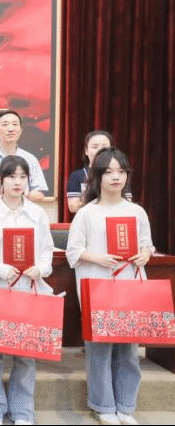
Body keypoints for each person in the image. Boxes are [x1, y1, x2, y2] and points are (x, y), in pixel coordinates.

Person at [66, 147, 153, 426]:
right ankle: (103, 406)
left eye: (121, 171)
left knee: (128, 351)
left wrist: (145, 254)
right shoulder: (87, 213)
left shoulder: (136, 211)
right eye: (109, 172)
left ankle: (126, 406)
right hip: (98, 287)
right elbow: (73, 252)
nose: (116, 177)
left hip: (130, 287)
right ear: (97, 176)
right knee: (99, 351)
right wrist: (98, 258)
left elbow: (147, 245)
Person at [0, 155, 55, 425]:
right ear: (0, 181)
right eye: (11, 177)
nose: (17, 182)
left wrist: (41, 268)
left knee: (26, 355)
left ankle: (22, 412)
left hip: (28, 291)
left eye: (22, 177)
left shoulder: (37, 214)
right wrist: (1, 269)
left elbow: (47, 252)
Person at [0, 110, 48, 207]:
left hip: (21, 213)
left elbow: (39, 195)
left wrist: (21, 194)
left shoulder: (30, 159)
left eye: (15, 124)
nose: (11, 129)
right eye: (5, 125)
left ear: (20, 131)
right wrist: (2, 193)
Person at [66, 130, 131, 213]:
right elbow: (73, 207)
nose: (100, 150)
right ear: (86, 151)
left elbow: (128, 203)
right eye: (95, 147)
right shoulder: (77, 176)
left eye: (104, 147)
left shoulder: (118, 175)